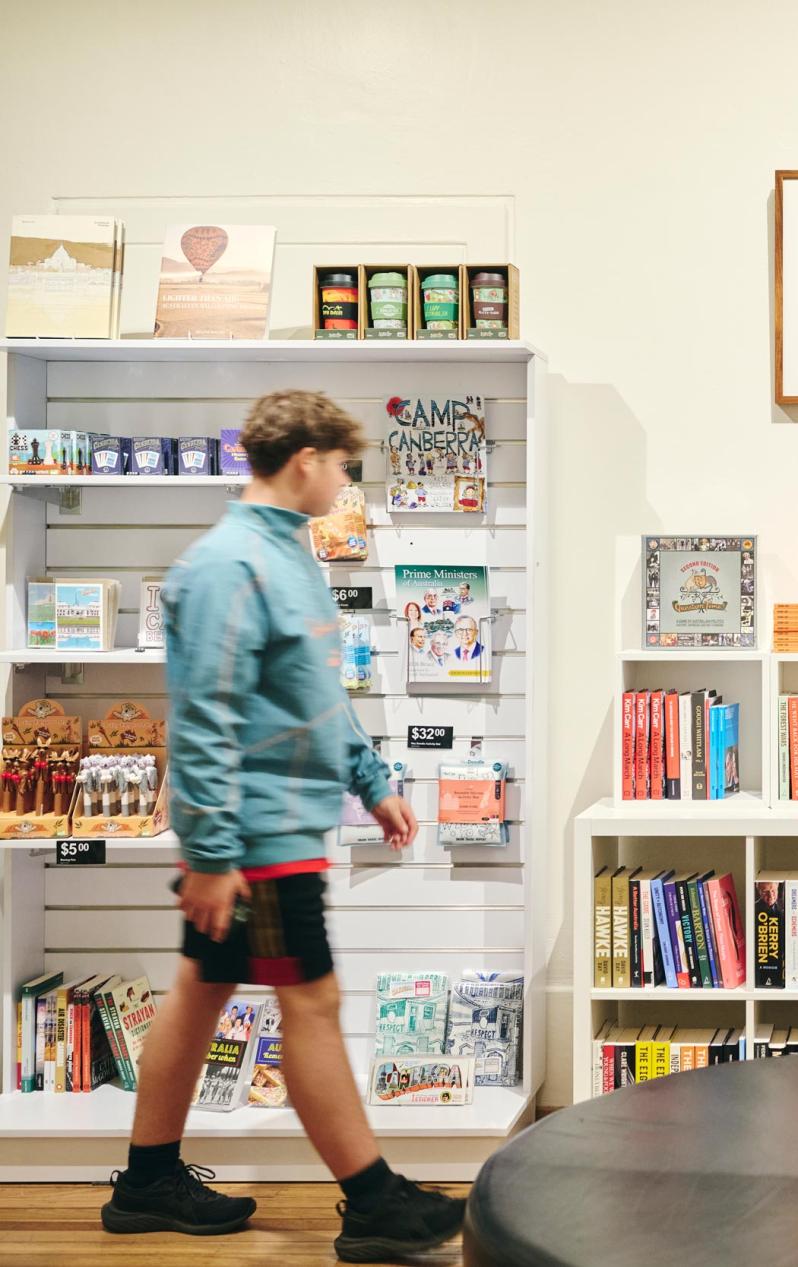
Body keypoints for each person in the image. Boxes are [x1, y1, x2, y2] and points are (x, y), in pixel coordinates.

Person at [100, 390, 463, 1262]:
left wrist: (371, 779)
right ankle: (372, 1201)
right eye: (340, 465)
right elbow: (204, 718)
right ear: (304, 459)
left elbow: (313, 693)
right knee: (313, 1000)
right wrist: (213, 853)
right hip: (257, 841)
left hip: (270, 831)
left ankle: (147, 1181)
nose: (344, 482)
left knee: (201, 990)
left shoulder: (285, 552)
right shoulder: (228, 565)